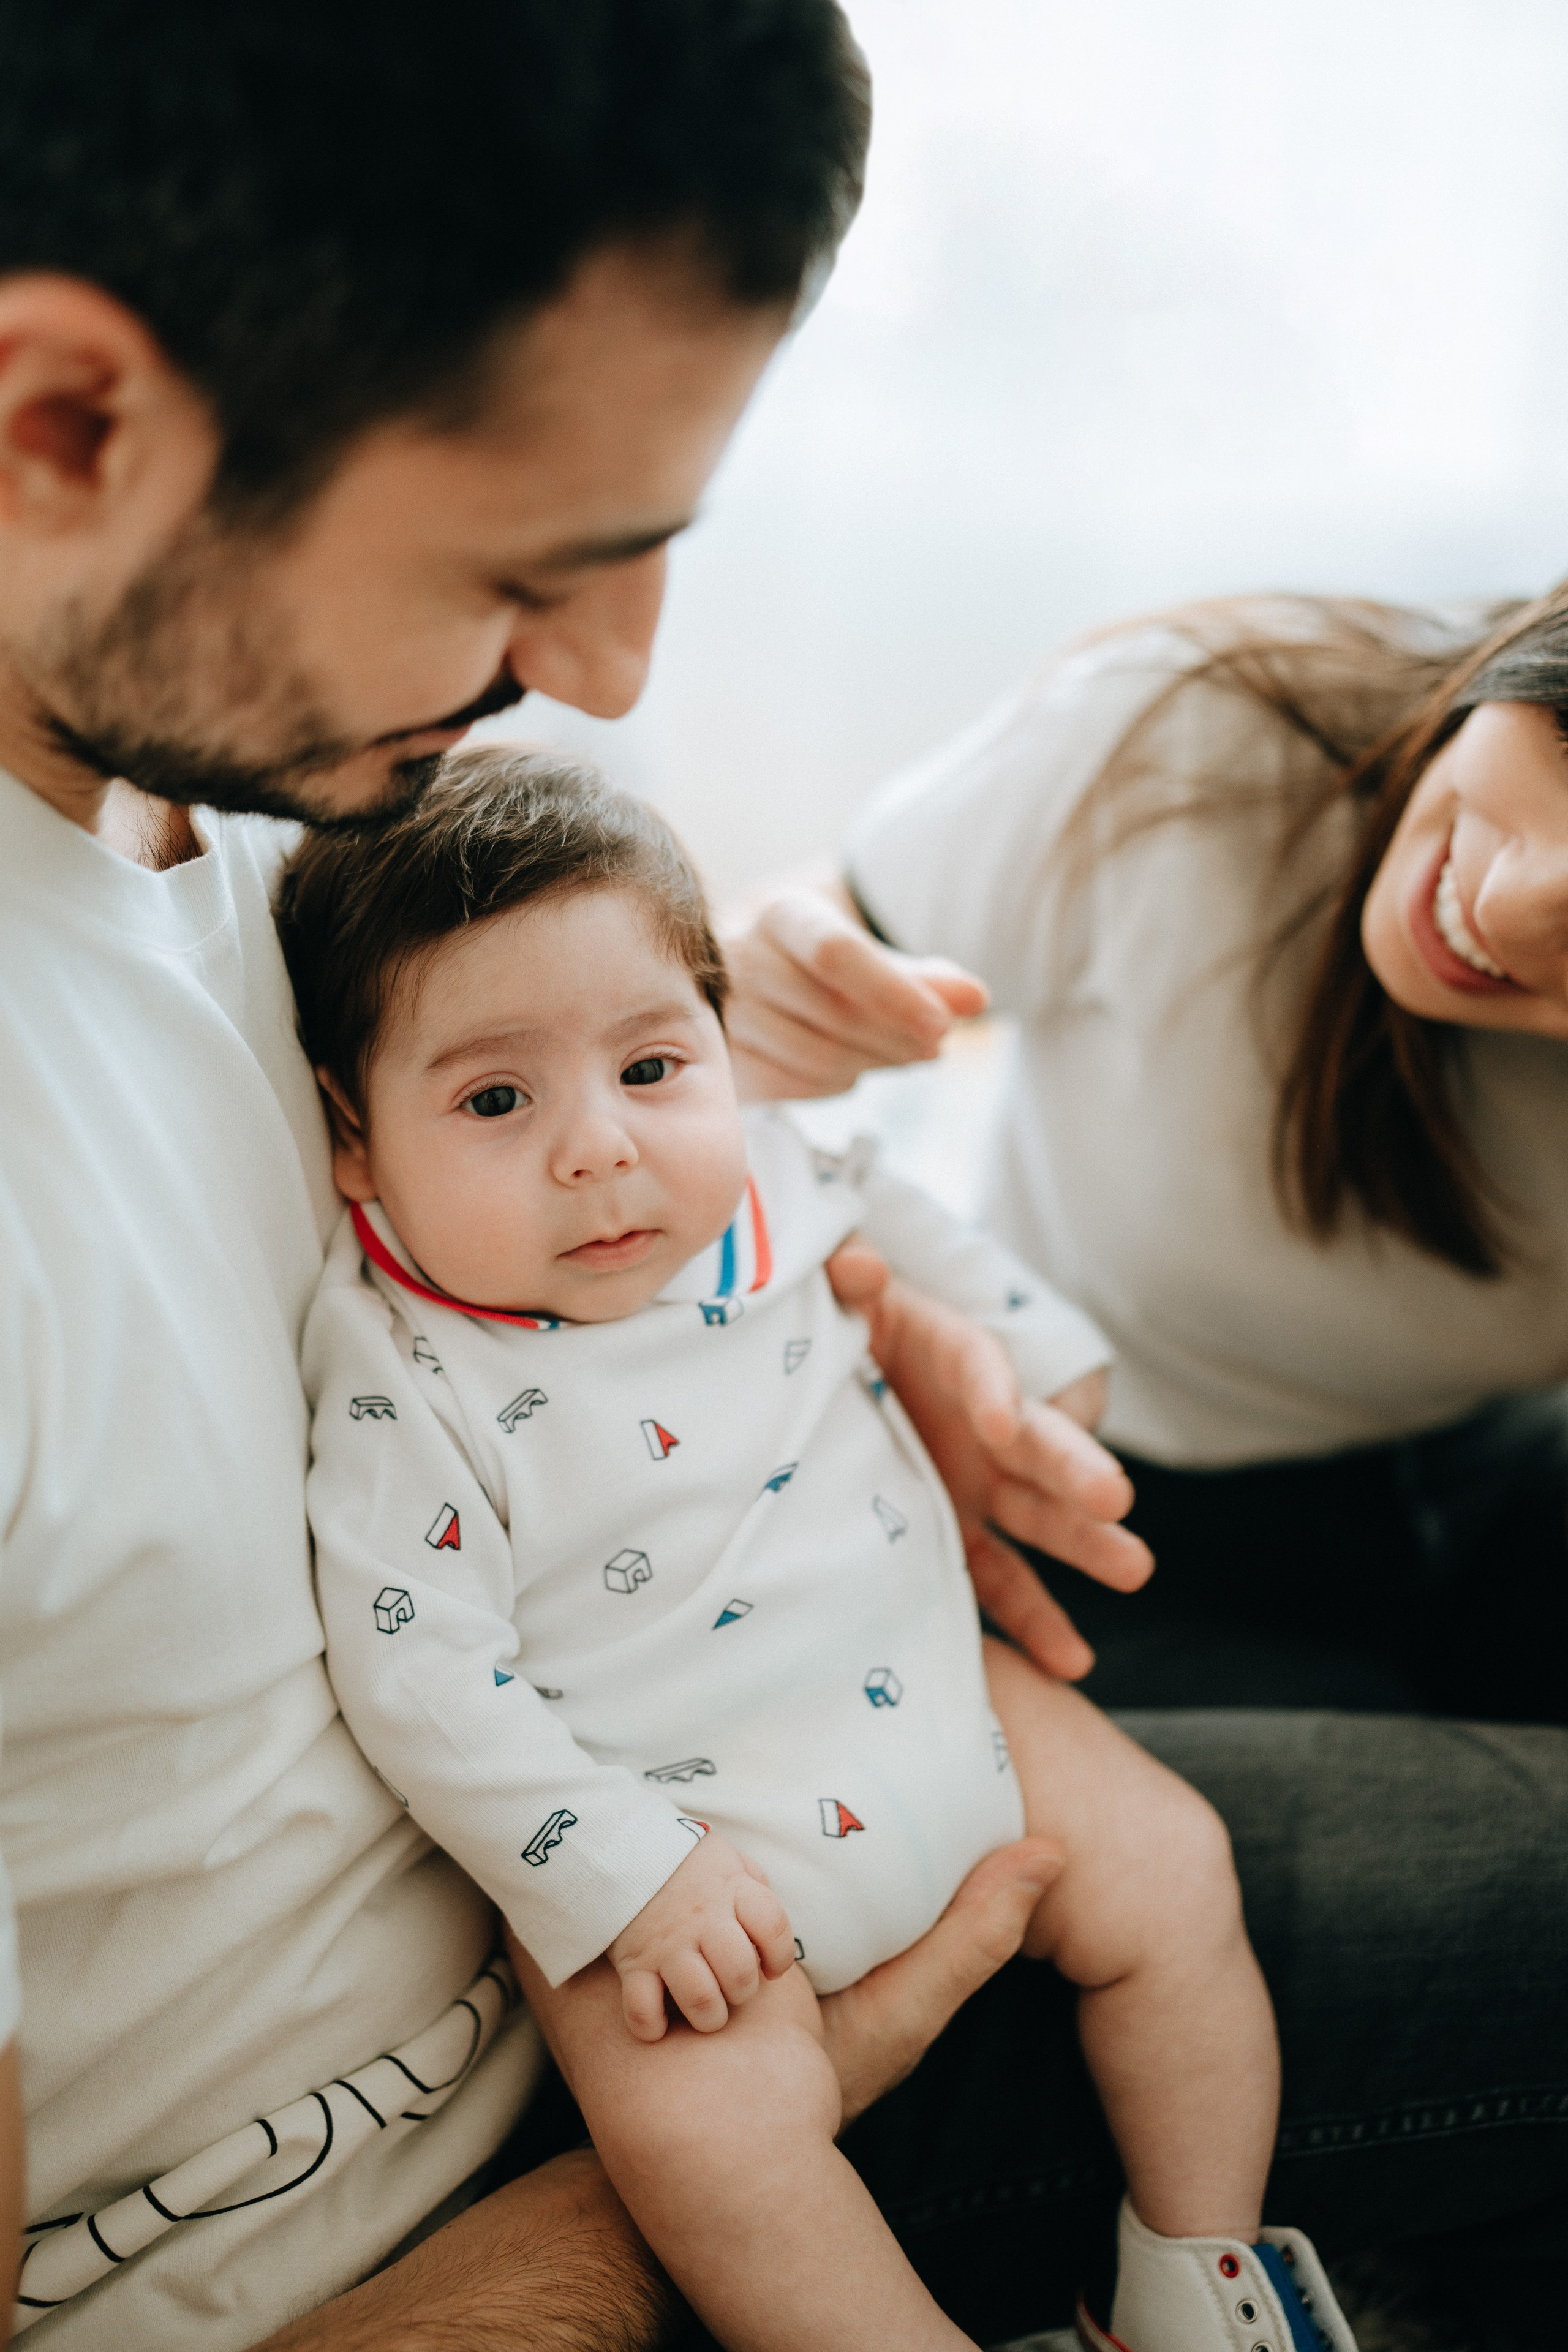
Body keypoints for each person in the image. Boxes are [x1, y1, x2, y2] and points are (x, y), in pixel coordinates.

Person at [0, 7, 1566, 2348]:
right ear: (66, 430)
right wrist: (700, 2174)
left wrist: (858, 1334)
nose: (610, 682)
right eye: (533, 562)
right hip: (510, 2181)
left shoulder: (250, 800)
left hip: (816, 1769)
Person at [281, 745, 1352, 2352]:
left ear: (718, 1047)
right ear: (355, 1147)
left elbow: (911, 1224)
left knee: (1174, 1872)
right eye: (498, 1100)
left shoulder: (769, 1179)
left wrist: (1040, 1356)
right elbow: (418, 1670)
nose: (602, 1148)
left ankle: (1197, 2275)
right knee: (714, 2145)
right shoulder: (404, 1366)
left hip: (937, 1702)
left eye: (653, 1069)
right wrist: (631, 1875)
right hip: (674, 1845)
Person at [725, 589, 1568, 1725]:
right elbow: (807, 926)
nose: (1514, 906)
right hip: (1088, 1498)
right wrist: (759, 984)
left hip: (1481, 1474)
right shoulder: (1199, 744)